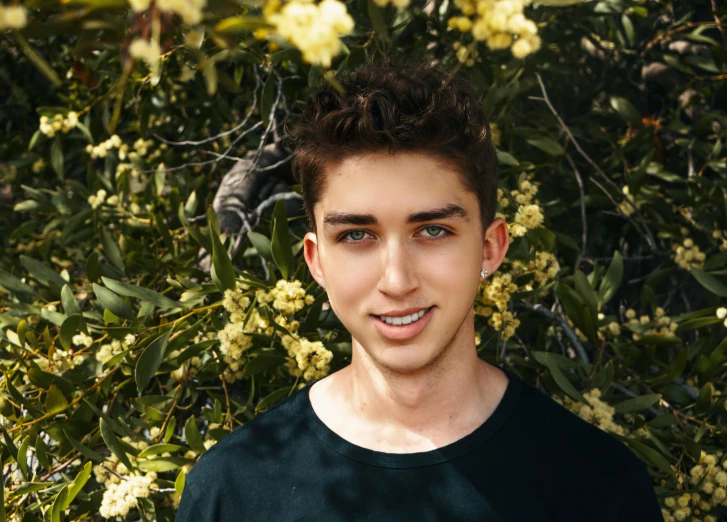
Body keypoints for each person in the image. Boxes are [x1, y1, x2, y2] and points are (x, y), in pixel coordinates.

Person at [176, 53, 665, 521]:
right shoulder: (229, 490)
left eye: (432, 231)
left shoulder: (599, 486)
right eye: (357, 236)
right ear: (316, 260)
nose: (397, 280)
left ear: (491, 248)